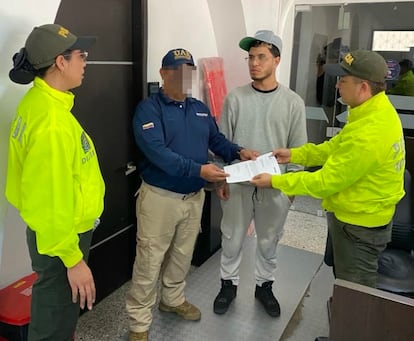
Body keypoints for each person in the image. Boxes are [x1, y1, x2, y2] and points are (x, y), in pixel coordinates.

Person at [126, 48, 258, 341]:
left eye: (190, 71)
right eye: (178, 71)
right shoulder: (149, 109)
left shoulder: (199, 108)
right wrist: (200, 171)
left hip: (193, 199)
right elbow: (158, 154)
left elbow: (217, 140)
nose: (185, 77)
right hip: (160, 198)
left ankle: (171, 300)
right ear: (164, 74)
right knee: (149, 261)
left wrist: (239, 152)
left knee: (182, 256)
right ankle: (139, 324)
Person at [251, 49, 405, 289]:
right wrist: (295, 154)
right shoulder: (371, 111)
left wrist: (276, 181)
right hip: (352, 215)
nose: (337, 87)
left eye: (343, 82)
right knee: (345, 283)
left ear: (363, 87)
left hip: (360, 227)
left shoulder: (371, 131)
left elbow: (325, 182)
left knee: (356, 294)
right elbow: (336, 147)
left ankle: (351, 326)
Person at [5, 24, 105, 340]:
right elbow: (49, 199)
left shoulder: (39, 102)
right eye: (81, 56)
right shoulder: (51, 123)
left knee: (58, 315)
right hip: (61, 240)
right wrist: (73, 260)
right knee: (54, 325)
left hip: (54, 234)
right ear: (60, 62)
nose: (85, 62)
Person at [213, 30, 307, 317]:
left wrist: (290, 191)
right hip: (238, 184)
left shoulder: (293, 103)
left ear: (276, 60)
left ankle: (264, 286)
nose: (254, 63)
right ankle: (228, 284)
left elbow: (299, 150)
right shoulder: (235, 99)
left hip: (275, 186)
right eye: (250, 57)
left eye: (261, 57)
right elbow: (222, 142)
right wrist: (221, 177)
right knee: (231, 237)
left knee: (269, 239)